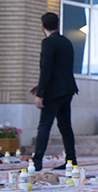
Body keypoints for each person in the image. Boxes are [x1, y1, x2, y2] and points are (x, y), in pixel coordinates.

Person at [31, 12, 78, 171]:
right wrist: (40, 86)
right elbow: (61, 68)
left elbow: (47, 69)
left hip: (53, 91)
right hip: (67, 89)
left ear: (42, 27)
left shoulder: (48, 43)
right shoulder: (66, 42)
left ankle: (37, 162)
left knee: (44, 125)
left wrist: (40, 94)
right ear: (58, 25)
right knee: (65, 126)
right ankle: (71, 160)